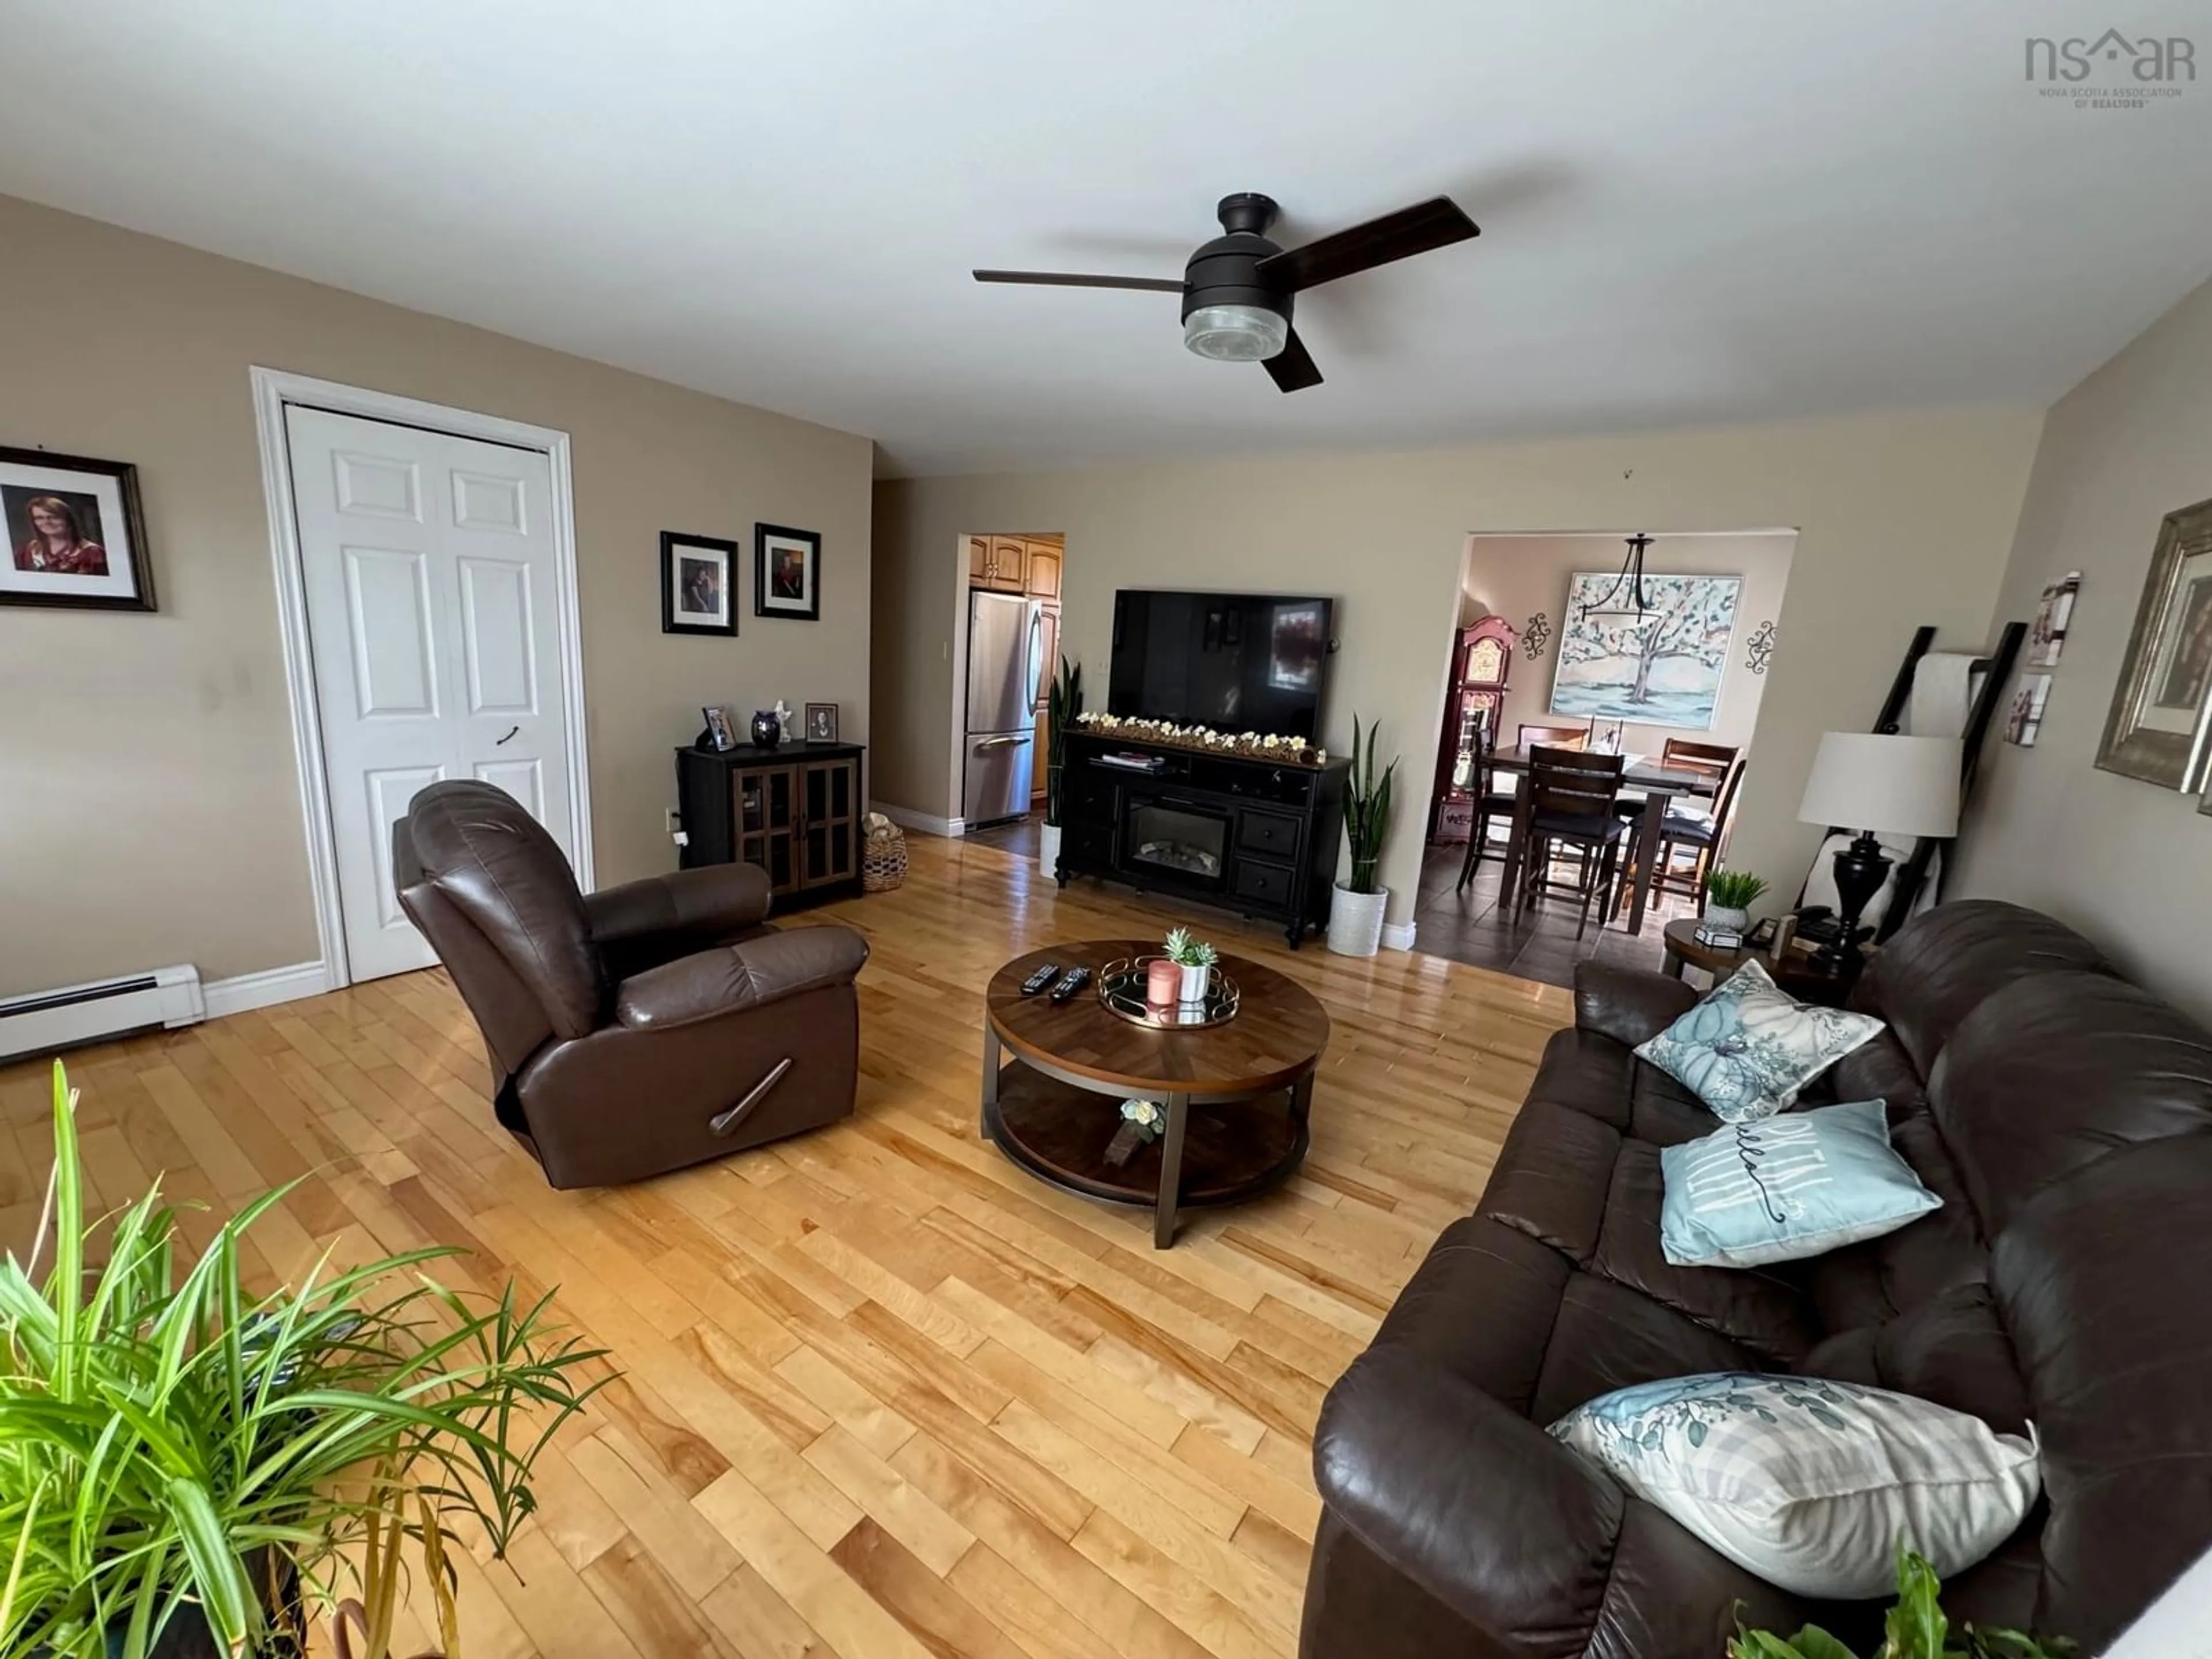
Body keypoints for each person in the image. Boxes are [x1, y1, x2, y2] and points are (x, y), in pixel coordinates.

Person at [15, 495, 109, 575]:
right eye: (39, 518)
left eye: (53, 517)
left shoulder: (92, 553)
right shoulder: (27, 551)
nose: (47, 522)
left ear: (68, 520)